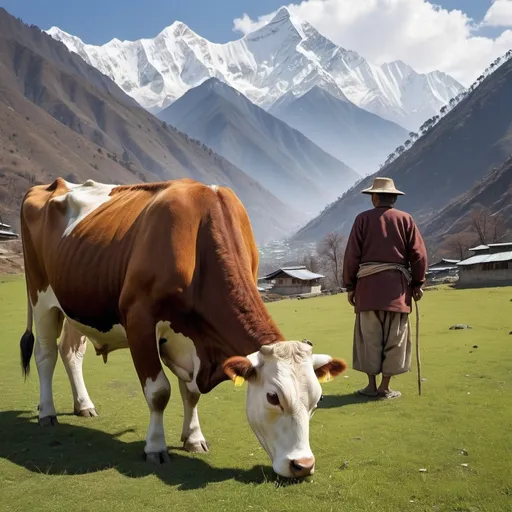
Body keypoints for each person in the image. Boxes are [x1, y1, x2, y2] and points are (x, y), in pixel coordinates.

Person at [342, 177, 427, 400]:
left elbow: (352, 256)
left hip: (368, 291)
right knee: (395, 339)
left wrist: (350, 286)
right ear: (394, 198)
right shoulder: (406, 220)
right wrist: (418, 284)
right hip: (398, 292)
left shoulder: (362, 220)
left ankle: (371, 386)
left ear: (375, 197)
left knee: (369, 339)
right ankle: (385, 387)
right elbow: (418, 255)